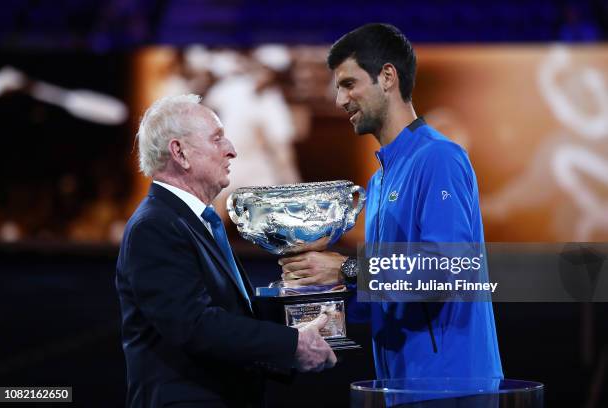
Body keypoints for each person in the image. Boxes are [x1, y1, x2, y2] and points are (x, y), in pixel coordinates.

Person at [279, 24, 503, 381]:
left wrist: (348, 270)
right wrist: (319, 296)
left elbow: (448, 270)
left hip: (452, 384)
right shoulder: (380, 181)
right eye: (338, 88)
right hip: (399, 383)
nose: (340, 101)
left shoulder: (439, 157)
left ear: (387, 77)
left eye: (349, 84)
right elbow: (390, 294)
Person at [115, 94, 336, 408]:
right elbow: (194, 325)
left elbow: (231, 312)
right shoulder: (154, 226)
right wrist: (291, 344)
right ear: (179, 152)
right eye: (217, 138)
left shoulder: (193, 220)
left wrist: (301, 302)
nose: (231, 150)